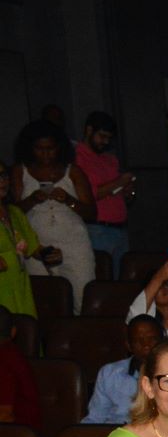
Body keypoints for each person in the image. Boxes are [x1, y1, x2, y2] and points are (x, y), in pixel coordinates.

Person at [11, 121, 95, 312]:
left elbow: (91, 213)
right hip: (37, 246)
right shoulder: (20, 171)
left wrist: (68, 200)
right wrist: (32, 200)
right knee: (44, 300)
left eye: (50, 149)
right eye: (39, 149)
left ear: (59, 148)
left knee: (81, 299)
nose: (45, 154)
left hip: (74, 245)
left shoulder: (72, 171)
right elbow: (13, 213)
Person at [75, 111, 135, 278]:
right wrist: (119, 182)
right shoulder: (77, 157)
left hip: (120, 228)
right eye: (102, 136)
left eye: (109, 138)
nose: (105, 142)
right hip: (97, 229)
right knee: (103, 280)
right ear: (89, 130)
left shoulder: (110, 159)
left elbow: (119, 192)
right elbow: (87, 194)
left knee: (122, 279)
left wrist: (128, 191)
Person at [85, 316, 166, 424]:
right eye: (138, 340)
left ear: (162, 341)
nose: (146, 345)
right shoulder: (109, 373)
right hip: (116, 430)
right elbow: (95, 418)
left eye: (152, 339)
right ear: (129, 345)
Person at [0, 158, 48, 315]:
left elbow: (33, 248)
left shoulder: (14, 212)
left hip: (20, 284)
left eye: (4, 176)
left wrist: (49, 254)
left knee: (25, 326)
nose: (2, 181)